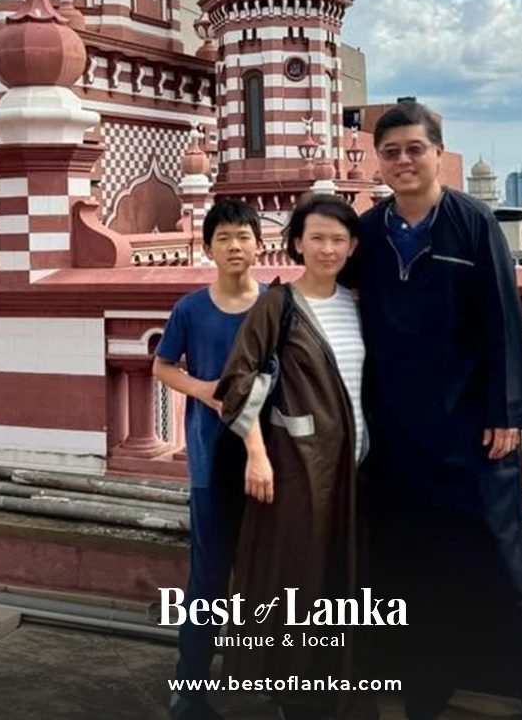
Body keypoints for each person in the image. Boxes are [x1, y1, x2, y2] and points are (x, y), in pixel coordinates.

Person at [356, 101, 522, 720]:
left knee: (498, 558)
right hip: (394, 426)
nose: (403, 161)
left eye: (415, 148)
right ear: (379, 162)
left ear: (437, 153)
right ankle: (423, 682)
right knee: (408, 560)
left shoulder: (472, 223)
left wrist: (504, 411)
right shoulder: (368, 231)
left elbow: (502, 317)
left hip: (470, 426)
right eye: (390, 152)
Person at [215, 194, 373, 720]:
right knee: (294, 575)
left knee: (342, 575)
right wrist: (256, 455)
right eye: (316, 238)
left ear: (352, 246)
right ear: (297, 243)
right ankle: (290, 692)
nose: (327, 249)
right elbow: (238, 382)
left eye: (338, 239)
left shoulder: (361, 304)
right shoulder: (278, 305)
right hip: (296, 464)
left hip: (356, 466)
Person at [154, 198, 266, 720]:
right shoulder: (191, 309)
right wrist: (203, 389)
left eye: (243, 236)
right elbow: (162, 367)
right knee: (209, 576)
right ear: (208, 248)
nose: (235, 246)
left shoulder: (276, 307)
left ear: (258, 245)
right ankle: (191, 685)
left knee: (268, 572)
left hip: (267, 461)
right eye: (224, 238)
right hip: (210, 458)